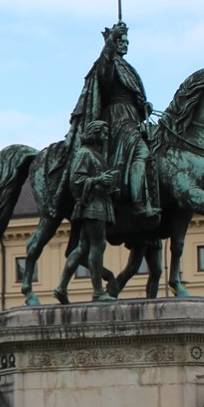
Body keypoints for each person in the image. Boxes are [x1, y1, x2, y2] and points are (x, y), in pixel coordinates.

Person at [70, 22, 157, 218]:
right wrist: (109, 41)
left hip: (132, 116)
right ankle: (137, 203)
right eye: (121, 41)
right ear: (114, 43)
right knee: (141, 152)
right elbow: (106, 74)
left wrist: (142, 106)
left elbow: (134, 95)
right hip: (117, 118)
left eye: (127, 41)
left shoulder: (128, 68)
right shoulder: (107, 63)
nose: (126, 44)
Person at [57, 119, 120, 302]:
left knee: (83, 246)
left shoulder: (94, 154)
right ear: (95, 133)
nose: (106, 137)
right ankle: (98, 292)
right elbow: (76, 180)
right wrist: (99, 180)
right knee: (97, 245)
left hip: (98, 202)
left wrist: (109, 184)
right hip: (92, 205)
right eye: (104, 133)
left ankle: (61, 287)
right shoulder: (84, 153)